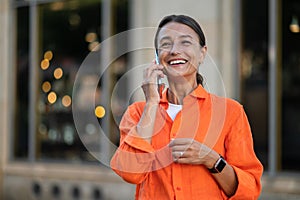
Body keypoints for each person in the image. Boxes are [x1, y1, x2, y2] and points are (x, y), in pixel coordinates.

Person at [110, 14, 263, 199]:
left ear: (202, 53)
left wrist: (211, 159)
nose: (175, 50)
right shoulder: (137, 113)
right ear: (157, 58)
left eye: (185, 42)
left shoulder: (230, 112)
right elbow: (130, 172)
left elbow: (249, 191)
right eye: (166, 44)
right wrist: (151, 102)